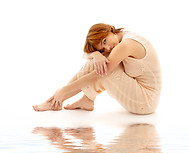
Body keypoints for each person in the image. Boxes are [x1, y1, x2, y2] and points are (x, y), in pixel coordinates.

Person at [33, 23, 161, 114]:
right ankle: (86, 100)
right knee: (100, 63)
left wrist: (64, 90)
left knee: (101, 68)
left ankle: (57, 99)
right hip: (142, 93)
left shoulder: (125, 45)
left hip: (145, 102)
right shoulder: (121, 37)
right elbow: (88, 54)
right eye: (103, 48)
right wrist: (96, 54)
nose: (108, 48)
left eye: (104, 41)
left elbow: (99, 74)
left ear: (109, 30)